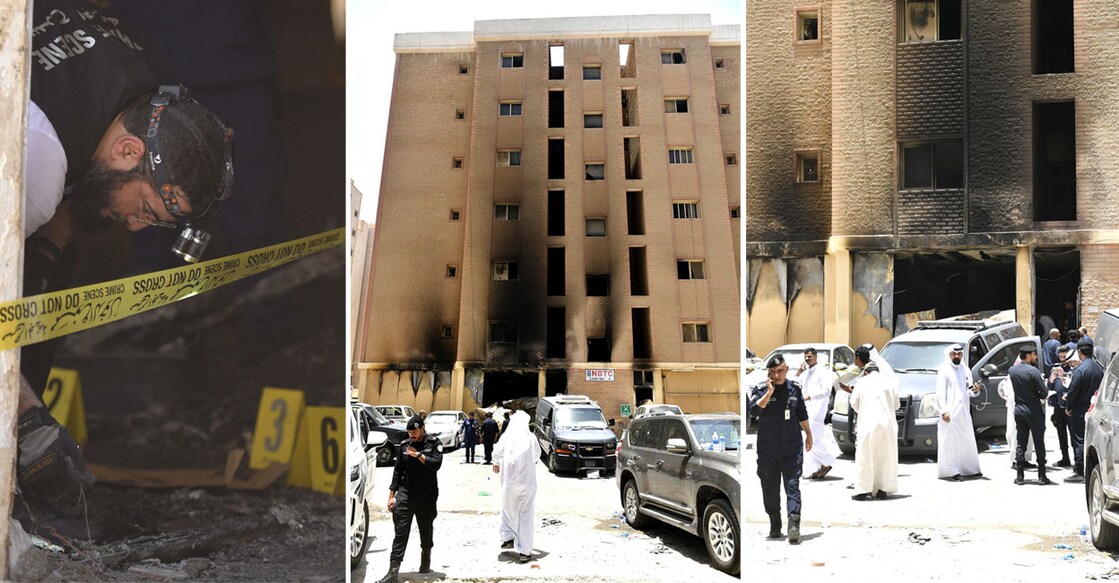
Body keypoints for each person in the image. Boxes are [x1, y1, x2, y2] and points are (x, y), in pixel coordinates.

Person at [18, 0, 233, 537]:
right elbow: (54, 175)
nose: (136, 227)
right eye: (145, 210)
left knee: (46, 276)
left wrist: (48, 246)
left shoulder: (146, 86)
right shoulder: (33, 161)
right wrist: (24, 419)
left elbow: (84, 187)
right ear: (129, 149)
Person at [748, 353, 811, 544]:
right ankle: (775, 522)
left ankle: (794, 525)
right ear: (769, 373)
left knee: (792, 485)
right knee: (770, 488)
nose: (777, 375)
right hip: (768, 450)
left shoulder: (794, 389)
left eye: (781, 370)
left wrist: (809, 434)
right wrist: (769, 393)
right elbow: (753, 411)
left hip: (791, 447)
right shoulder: (761, 389)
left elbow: (801, 413)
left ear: (786, 368)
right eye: (774, 372)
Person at [376, 415, 444, 583]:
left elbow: (436, 464)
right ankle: (393, 572)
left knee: (425, 528)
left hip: (426, 495)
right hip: (406, 493)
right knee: (400, 531)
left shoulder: (434, 443)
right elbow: (398, 471)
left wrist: (419, 455)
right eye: (409, 432)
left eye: (414, 431)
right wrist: (391, 496)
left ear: (422, 428)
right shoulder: (405, 446)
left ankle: (425, 557)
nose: (412, 435)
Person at [840, 344, 899, 500]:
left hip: (868, 424)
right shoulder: (889, 383)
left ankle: (864, 491)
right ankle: (883, 489)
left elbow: (854, 402)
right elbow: (897, 405)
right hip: (888, 425)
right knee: (884, 456)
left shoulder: (862, 382)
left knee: (865, 456)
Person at [492, 410, 541, 563]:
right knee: (525, 515)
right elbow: (536, 456)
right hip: (527, 483)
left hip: (509, 483)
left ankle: (508, 537)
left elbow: (497, 450)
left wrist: (496, 462)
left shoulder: (507, 437)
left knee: (508, 510)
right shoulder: (531, 438)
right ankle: (525, 551)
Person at [935, 344, 982, 481]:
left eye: (959, 354)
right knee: (950, 441)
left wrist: (976, 390)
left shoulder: (965, 369)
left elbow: (969, 392)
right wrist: (943, 411)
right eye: (954, 354)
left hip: (964, 413)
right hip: (949, 413)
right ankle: (950, 471)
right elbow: (940, 393)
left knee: (965, 440)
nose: (956, 356)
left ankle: (968, 469)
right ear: (949, 354)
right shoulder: (944, 370)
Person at [1009, 346, 1051, 485]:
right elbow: (1044, 393)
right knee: (1039, 443)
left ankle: (1020, 476)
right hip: (1033, 410)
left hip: (1019, 410)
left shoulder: (1012, 370)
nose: (1036, 357)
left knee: (1021, 442)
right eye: (1034, 355)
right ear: (1028, 356)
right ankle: (1041, 476)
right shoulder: (1033, 371)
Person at [1064, 339, 1104, 483]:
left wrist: (1068, 407)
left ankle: (1080, 471)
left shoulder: (1079, 370)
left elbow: (1073, 391)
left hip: (1080, 410)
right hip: (1095, 409)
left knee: (1078, 441)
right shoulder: (1099, 368)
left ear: (1080, 352)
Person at [794, 347, 836, 479]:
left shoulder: (823, 372)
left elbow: (827, 391)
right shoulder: (805, 373)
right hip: (805, 410)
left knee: (813, 438)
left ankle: (827, 461)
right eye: (805, 357)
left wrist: (809, 396)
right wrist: (798, 372)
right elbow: (794, 384)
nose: (807, 359)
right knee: (808, 438)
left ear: (816, 357)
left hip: (817, 409)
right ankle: (818, 467)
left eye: (810, 356)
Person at [1048, 346, 1074, 468]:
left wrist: (1064, 375)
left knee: (1074, 435)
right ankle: (1065, 458)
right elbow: (1049, 387)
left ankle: (1078, 460)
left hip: (1069, 407)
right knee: (1061, 435)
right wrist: (1052, 379)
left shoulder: (1073, 368)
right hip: (1058, 407)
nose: (1063, 360)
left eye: (1065, 357)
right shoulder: (1055, 368)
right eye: (1061, 357)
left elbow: (1074, 386)